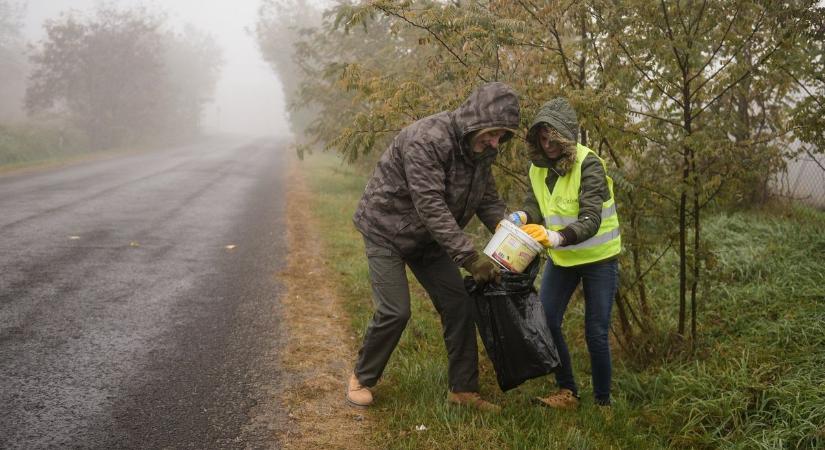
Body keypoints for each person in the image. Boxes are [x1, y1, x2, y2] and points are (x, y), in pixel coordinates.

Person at [346, 82, 520, 413]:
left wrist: (511, 236)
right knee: (395, 310)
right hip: (387, 231)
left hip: (429, 239)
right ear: (476, 119)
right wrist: (470, 257)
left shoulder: (483, 149)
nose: (496, 142)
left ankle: (463, 391)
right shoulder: (426, 139)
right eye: (493, 133)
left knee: (459, 304)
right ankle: (361, 377)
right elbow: (430, 205)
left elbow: (487, 198)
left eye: (502, 136)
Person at [514, 98, 621, 409]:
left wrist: (555, 236)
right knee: (546, 321)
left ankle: (603, 402)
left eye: (553, 138)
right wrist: (521, 216)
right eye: (542, 138)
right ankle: (567, 392)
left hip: (599, 259)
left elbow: (591, 217)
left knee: (596, 332)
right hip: (563, 261)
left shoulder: (589, 164)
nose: (547, 145)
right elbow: (535, 204)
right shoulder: (537, 168)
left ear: (566, 134)